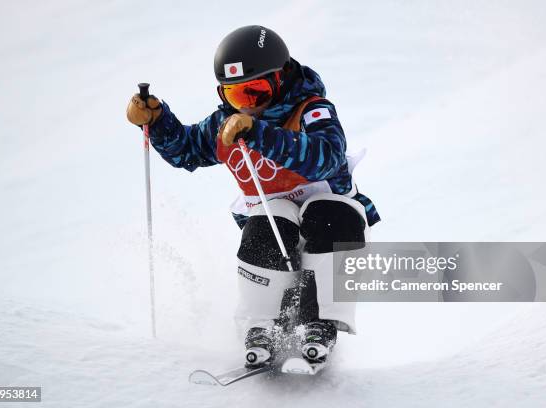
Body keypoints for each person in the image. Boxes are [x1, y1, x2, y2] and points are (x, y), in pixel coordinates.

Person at [127, 25, 380, 367]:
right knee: (268, 218)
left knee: (328, 212)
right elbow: (186, 150)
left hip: (332, 226)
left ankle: (320, 323)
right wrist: (157, 122)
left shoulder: (311, 110)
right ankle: (261, 327)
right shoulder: (227, 123)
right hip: (276, 228)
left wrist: (260, 134)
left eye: (256, 92)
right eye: (236, 97)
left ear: (281, 78)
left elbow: (326, 157)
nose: (248, 107)